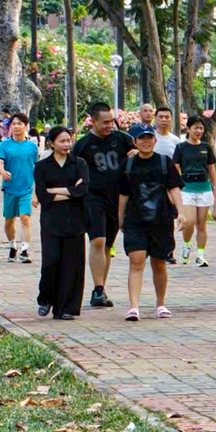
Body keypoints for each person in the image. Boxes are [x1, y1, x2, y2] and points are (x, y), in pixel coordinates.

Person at [117, 123, 182, 320]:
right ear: (135, 142)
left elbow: (174, 189)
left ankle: (160, 304)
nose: (146, 141)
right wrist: (120, 217)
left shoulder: (165, 163)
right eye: (141, 138)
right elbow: (123, 194)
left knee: (159, 263)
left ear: (154, 140)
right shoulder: (127, 165)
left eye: (149, 137)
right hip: (135, 220)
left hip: (161, 220)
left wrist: (181, 212)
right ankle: (134, 306)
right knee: (136, 261)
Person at [76, 102, 133, 309]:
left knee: (108, 245)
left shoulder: (122, 139)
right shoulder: (83, 144)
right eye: (105, 122)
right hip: (93, 197)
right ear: (93, 121)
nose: (110, 125)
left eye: (112, 121)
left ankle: (101, 288)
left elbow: (140, 154)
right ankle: (97, 288)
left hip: (117, 198)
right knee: (97, 241)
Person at [35, 126, 89, 318]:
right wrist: (68, 191)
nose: (67, 144)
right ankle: (46, 298)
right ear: (51, 143)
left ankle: (66, 308)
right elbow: (42, 195)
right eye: (62, 141)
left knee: (72, 265)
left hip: (75, 220)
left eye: (69, 140)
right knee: (51, 261)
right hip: (51, 220)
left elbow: (82, 190)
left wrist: (54, 191)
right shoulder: (42, 167)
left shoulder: (79, 163)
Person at [174, 111, 216, 265]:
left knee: (201, 223)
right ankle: (186, 246)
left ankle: (200, 255)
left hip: (204, 188)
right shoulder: (181, 147)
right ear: (188, 129)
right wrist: (176, 188)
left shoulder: (206, 147)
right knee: (189, 221)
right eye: (195, 128)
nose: (198, 131)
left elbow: (212, 168)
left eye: (201, 128)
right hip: (187, 188)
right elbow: (176, 168)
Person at [0, 112, 39, 262]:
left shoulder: (32, 147)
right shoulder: (4, 145)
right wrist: (2, 172)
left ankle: (25, 250)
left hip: (26, 189)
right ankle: (12, 245)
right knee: (9, 221)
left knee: (25, 218)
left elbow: (38, 169)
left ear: (26, 126)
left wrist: (36, 192)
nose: (16, 126)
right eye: (13, 124)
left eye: (20, 123)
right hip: (9, 188)